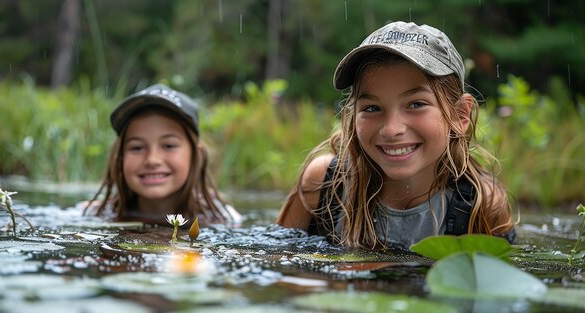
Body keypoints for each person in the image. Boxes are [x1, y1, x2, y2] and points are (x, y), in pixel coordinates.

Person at [276, 21, 516, 250]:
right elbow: (281, 271)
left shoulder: (482, 206)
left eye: (416, 104)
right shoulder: (325, 184)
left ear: (460, 116)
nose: (391, 129)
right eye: (372, 108)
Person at [84, 83, 241, 226]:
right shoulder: (96, 213)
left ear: (195, 154)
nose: (152, 160)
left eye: (168, 145)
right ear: (120, 157)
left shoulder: (223, 218)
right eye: (137, 148)